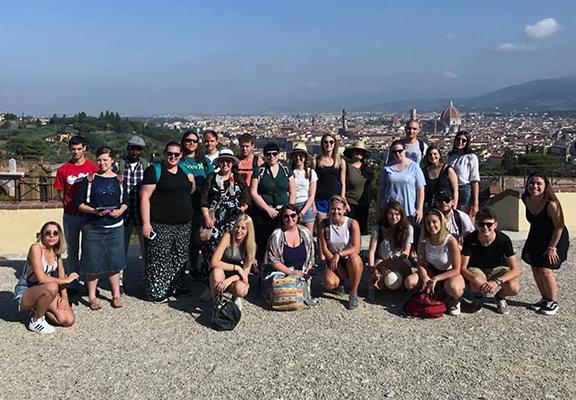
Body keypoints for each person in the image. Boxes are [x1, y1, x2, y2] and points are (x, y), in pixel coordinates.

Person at [140, 142, 196, 302]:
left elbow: (189, 191)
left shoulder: (185, 170)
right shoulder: (154, 171)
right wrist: (146, 223)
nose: (173, 157)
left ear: (181, 156)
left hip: (183, 224)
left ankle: (175, 286)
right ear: (165, 154)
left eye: (176, 154)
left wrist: (192, 183)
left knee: (179, 256)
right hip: (160, 223)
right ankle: (156, 291)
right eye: (170, 154)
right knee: (159, 258)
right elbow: (145, 197)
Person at [75, 146, 128, 310]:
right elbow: (79, 204)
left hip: (115, 226)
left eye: (105, 159)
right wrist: (94, 211)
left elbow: (126, 201)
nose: (102, 163)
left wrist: (119, 211)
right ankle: (91, 297)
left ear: (112, 160)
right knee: (92, 263)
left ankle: (116, 295)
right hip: (93, 226)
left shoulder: (120, 179)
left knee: (115, 262)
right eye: (99, 160)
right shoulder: (89, 179)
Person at [13, 222, 77, 334]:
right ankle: (36, 320)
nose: (52, 236)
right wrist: (66, 281)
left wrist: (65, 297)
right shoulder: (36, 248)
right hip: (26, 290)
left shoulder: (56, 252)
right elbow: (42, 278)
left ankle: (38, 308)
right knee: (52, 287)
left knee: (67, 320)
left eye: (55, 233)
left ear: (59, 236)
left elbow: (61, 274)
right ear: (42, 235)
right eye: (48, 233)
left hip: (45, 290)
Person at [521, 172, 569, 316]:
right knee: (535, 267)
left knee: (545, 269)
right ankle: (544, 298)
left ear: (545, 186)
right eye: (531, 183)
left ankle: (553, 302)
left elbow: (559, 226)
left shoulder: (551, 204)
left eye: (538, 184)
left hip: (555, 237)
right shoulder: (525, 198)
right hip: (537, 235)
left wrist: (552, 247)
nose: (534, 186)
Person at [53, 135, 98, 289]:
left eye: (79, 149)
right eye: (73, 149)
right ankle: (73, 282)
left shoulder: (93, 168)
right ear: (69, 149)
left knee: (89, 250)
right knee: (72, 251)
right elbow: (59, 191)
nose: (76, 152)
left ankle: (88, 282)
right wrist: (68, 203)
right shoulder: (63, 169)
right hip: (71, 216)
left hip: (88, 216)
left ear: (84, 148)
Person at [461, 208, 521, 314]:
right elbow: (463, 268)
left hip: (497, 269)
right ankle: (478, 296)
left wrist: (496, 282)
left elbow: (515, 270)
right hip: (477, 269)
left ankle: (500, 297)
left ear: (495, 224)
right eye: (481, 224)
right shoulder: (470, 239)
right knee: (476, 283)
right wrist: (475, 279)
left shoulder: (504, 240)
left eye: (489, 224)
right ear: (476, 224)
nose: (485, 227)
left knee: (514, 287)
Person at [201, 148, 251, 277]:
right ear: (219, 163)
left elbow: (247, 199)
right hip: (215, 222)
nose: (225, 164)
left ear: (232, 163)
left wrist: (240, 211)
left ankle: (230, 275)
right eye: (222, 161)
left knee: (232, 249)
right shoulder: (212, 178)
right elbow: (204, 200)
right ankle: (212, 278)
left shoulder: (238, 179)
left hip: (233, 222)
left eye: (228, 161)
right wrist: (207, 216)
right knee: (212, 249)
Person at [405, 209, 465, 316]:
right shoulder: (423, 241)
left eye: (434, 222)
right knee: (409, 282)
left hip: (449, 273)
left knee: (455, 289)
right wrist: (426, 278)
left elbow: (457, 269)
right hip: (431, 270)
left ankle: (454, 300)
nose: (431, 225)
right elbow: (420, 264)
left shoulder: (451, 241)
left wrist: (436, 279)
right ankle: (428, 294)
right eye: (428, 223)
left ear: (441, 222)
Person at [251, 142, 296, 263]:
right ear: (265, 156)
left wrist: (290, 210)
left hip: (283, 212)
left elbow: (292, 191)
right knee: (263, 242)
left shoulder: (286, 170)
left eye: (274, 154)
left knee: (282, 240)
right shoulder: (259, 171)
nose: (271, 157)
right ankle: (262, 270)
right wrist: (267, 209)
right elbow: (254, 192)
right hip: (264, 212)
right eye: (268, 154)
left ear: (278, 155)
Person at [263, 204, 316, 307]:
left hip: (301, 272)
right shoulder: (277, 235)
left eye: (293, 215)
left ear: (297, 217)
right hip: (281, 273)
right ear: (282, 218)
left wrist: (304, 272)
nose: (290, 218)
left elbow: (311, 257)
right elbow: (273, 260)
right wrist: (291, 272)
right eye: (286, 216)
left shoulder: (305, 233)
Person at [179, 130, 214, 278]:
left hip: (203, 203)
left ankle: (199, 266)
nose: (191, 143)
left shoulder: (203, 160)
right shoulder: (179, 160)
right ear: (183, 142)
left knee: (201, 237)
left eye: (194, 141)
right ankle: (187, 268)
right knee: (187, 237)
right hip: (186, 202)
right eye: (188, 140)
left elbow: (212, 177)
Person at [116, 134, 148, 292]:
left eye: (138, 149)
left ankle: (146, 277)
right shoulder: (119, 166)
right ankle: (120, 281)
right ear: (128, 149)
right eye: (132, 149)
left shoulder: (146, 166)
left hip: (140, 213)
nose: (135, 152)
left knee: (145, 249)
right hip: (124, 212)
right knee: (121, 248)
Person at [320, 196, 363, 310]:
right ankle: (340, 283)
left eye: (339, 209)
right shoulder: (324, 224)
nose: (336, 211)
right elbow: (324, 248)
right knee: (329, 283)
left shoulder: (352, 223)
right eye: (333, 209)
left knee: (355, 259)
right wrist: (337, 264)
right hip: (333, 258)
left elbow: (356, 247)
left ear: (344, 210)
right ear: (329, 210)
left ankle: (353, 293)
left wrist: (339, 255)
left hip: (348, 258)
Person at [366, 201, 413, 300]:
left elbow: (407, 250)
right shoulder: (377, 228)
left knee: (402, 278)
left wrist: (402, 256)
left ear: (401, 215)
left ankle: (401, 286)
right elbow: (371, 251)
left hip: (399, 259)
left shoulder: (408, 228)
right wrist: (371, 267)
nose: (393, 217)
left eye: (397, 214)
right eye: (390, 214)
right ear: (386, 214)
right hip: (383, 258)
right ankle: (372, 287)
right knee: (375, 273)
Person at [209, 214, 256, 308]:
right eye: (237, 227)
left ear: (248, 231)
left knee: (242, 288)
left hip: (234, 276)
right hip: (221, 271)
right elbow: (214, 262)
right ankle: (217, 302)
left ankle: (235, 298)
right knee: (216, 272)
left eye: (243, 228)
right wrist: (237, 267)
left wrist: (228, 280)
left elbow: (245, 273)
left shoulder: (251, 246)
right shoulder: (227, 237)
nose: (239, 231)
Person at [377, 140, 425, 226]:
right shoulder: (387, 168)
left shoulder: (414, 167)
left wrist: (419, 209)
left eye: (400, 151)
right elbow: (381, 189)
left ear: (405, 151)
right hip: (389, 211)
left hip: (408, 210)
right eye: (394, 152)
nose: (397, 154)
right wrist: (378, 208)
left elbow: (420, 189)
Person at [313, 133, 347, 224]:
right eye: (326, 142)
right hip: (320, 199)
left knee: (336, 227)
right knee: (322, 228)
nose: (329, 144)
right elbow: (312, 183)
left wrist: (343, 199)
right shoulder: (316, 161)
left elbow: (343, 182)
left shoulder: (340, 161)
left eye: (331, 142)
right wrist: (312, 202)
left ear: (335, 144)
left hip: (336, 199)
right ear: (322, 144)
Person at [447, 131, 480, 218]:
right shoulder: (451, 156)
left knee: (462, 217)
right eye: (458, 139)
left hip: (463, 190)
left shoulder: (471, 157)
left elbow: (474, 180)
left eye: (463, 140)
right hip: (450, 189)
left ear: (467, 142)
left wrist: (476, 202)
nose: (460, 142)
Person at [344, 140, 374, 235]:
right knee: (350, 229)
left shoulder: (367, 168)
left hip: (364, 202)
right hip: (350, 202)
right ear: (351, 153)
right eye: (356, 151)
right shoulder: (347, 167)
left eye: (361, 151)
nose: (359, 153)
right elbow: (342, 184)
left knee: (363, 229)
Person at [289, 143, 317, 234]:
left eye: (300, 155)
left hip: (307, 207)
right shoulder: (289, 172)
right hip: (293, 206)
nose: (298, 158)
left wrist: (302, 212)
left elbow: (311, 195)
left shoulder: (311, 173)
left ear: (305, 157)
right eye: (296, 156)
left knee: (308, 237)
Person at [422, 144, 459, 211]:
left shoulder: (448, 170)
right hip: (431, 207)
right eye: (430, 154)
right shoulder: (425, 171)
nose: (433, 156)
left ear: (439, 155)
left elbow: (455, 190)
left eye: (435, 154)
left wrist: (454, 207)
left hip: (446, 206)